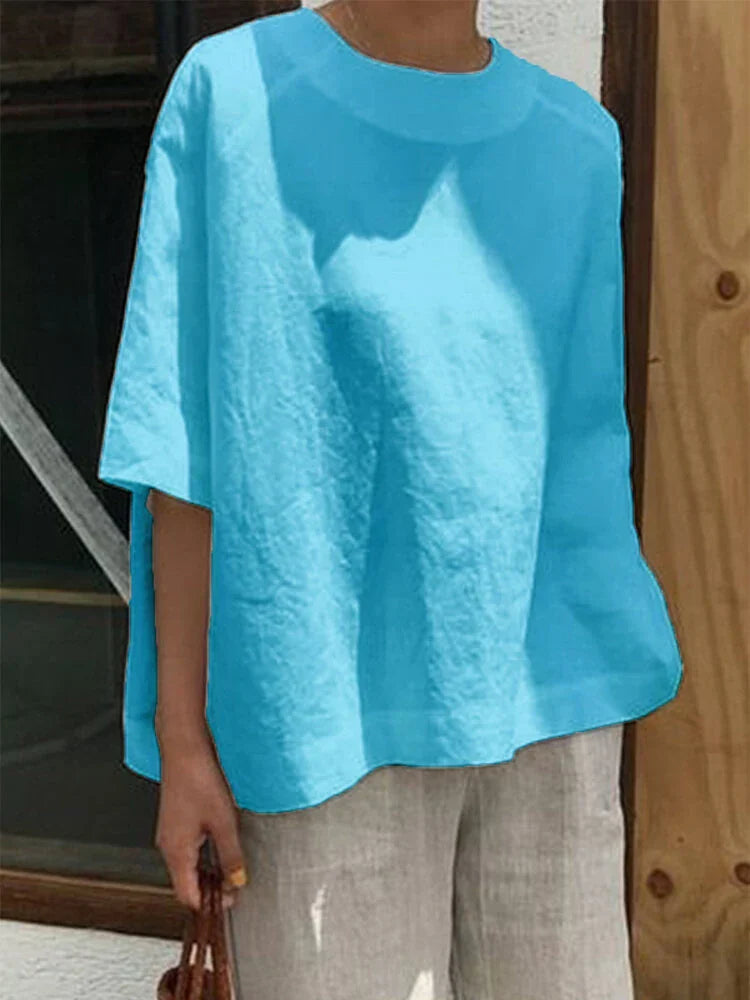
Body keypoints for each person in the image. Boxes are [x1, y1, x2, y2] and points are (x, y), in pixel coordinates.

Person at [97, 1, 684, 997]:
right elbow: (185, 448)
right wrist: (182, 733)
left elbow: (577, 445)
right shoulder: (233, 95)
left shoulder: (579, 142)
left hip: (552, 694)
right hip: (317, 710)